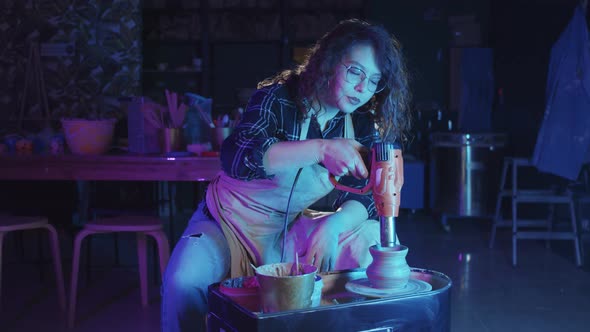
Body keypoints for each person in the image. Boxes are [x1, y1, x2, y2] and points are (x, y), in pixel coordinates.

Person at [161, 18, 412, 332]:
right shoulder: (277, 99)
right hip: (227, 223)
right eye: (354, 72)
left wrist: (334, 226)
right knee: (182, 282)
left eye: (374, 80)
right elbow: (237, 157)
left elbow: (371, 198)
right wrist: (321, 149)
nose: (363, 89)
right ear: (329, 62)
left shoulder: (360, 124)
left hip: (289, 230)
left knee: (370, 237)